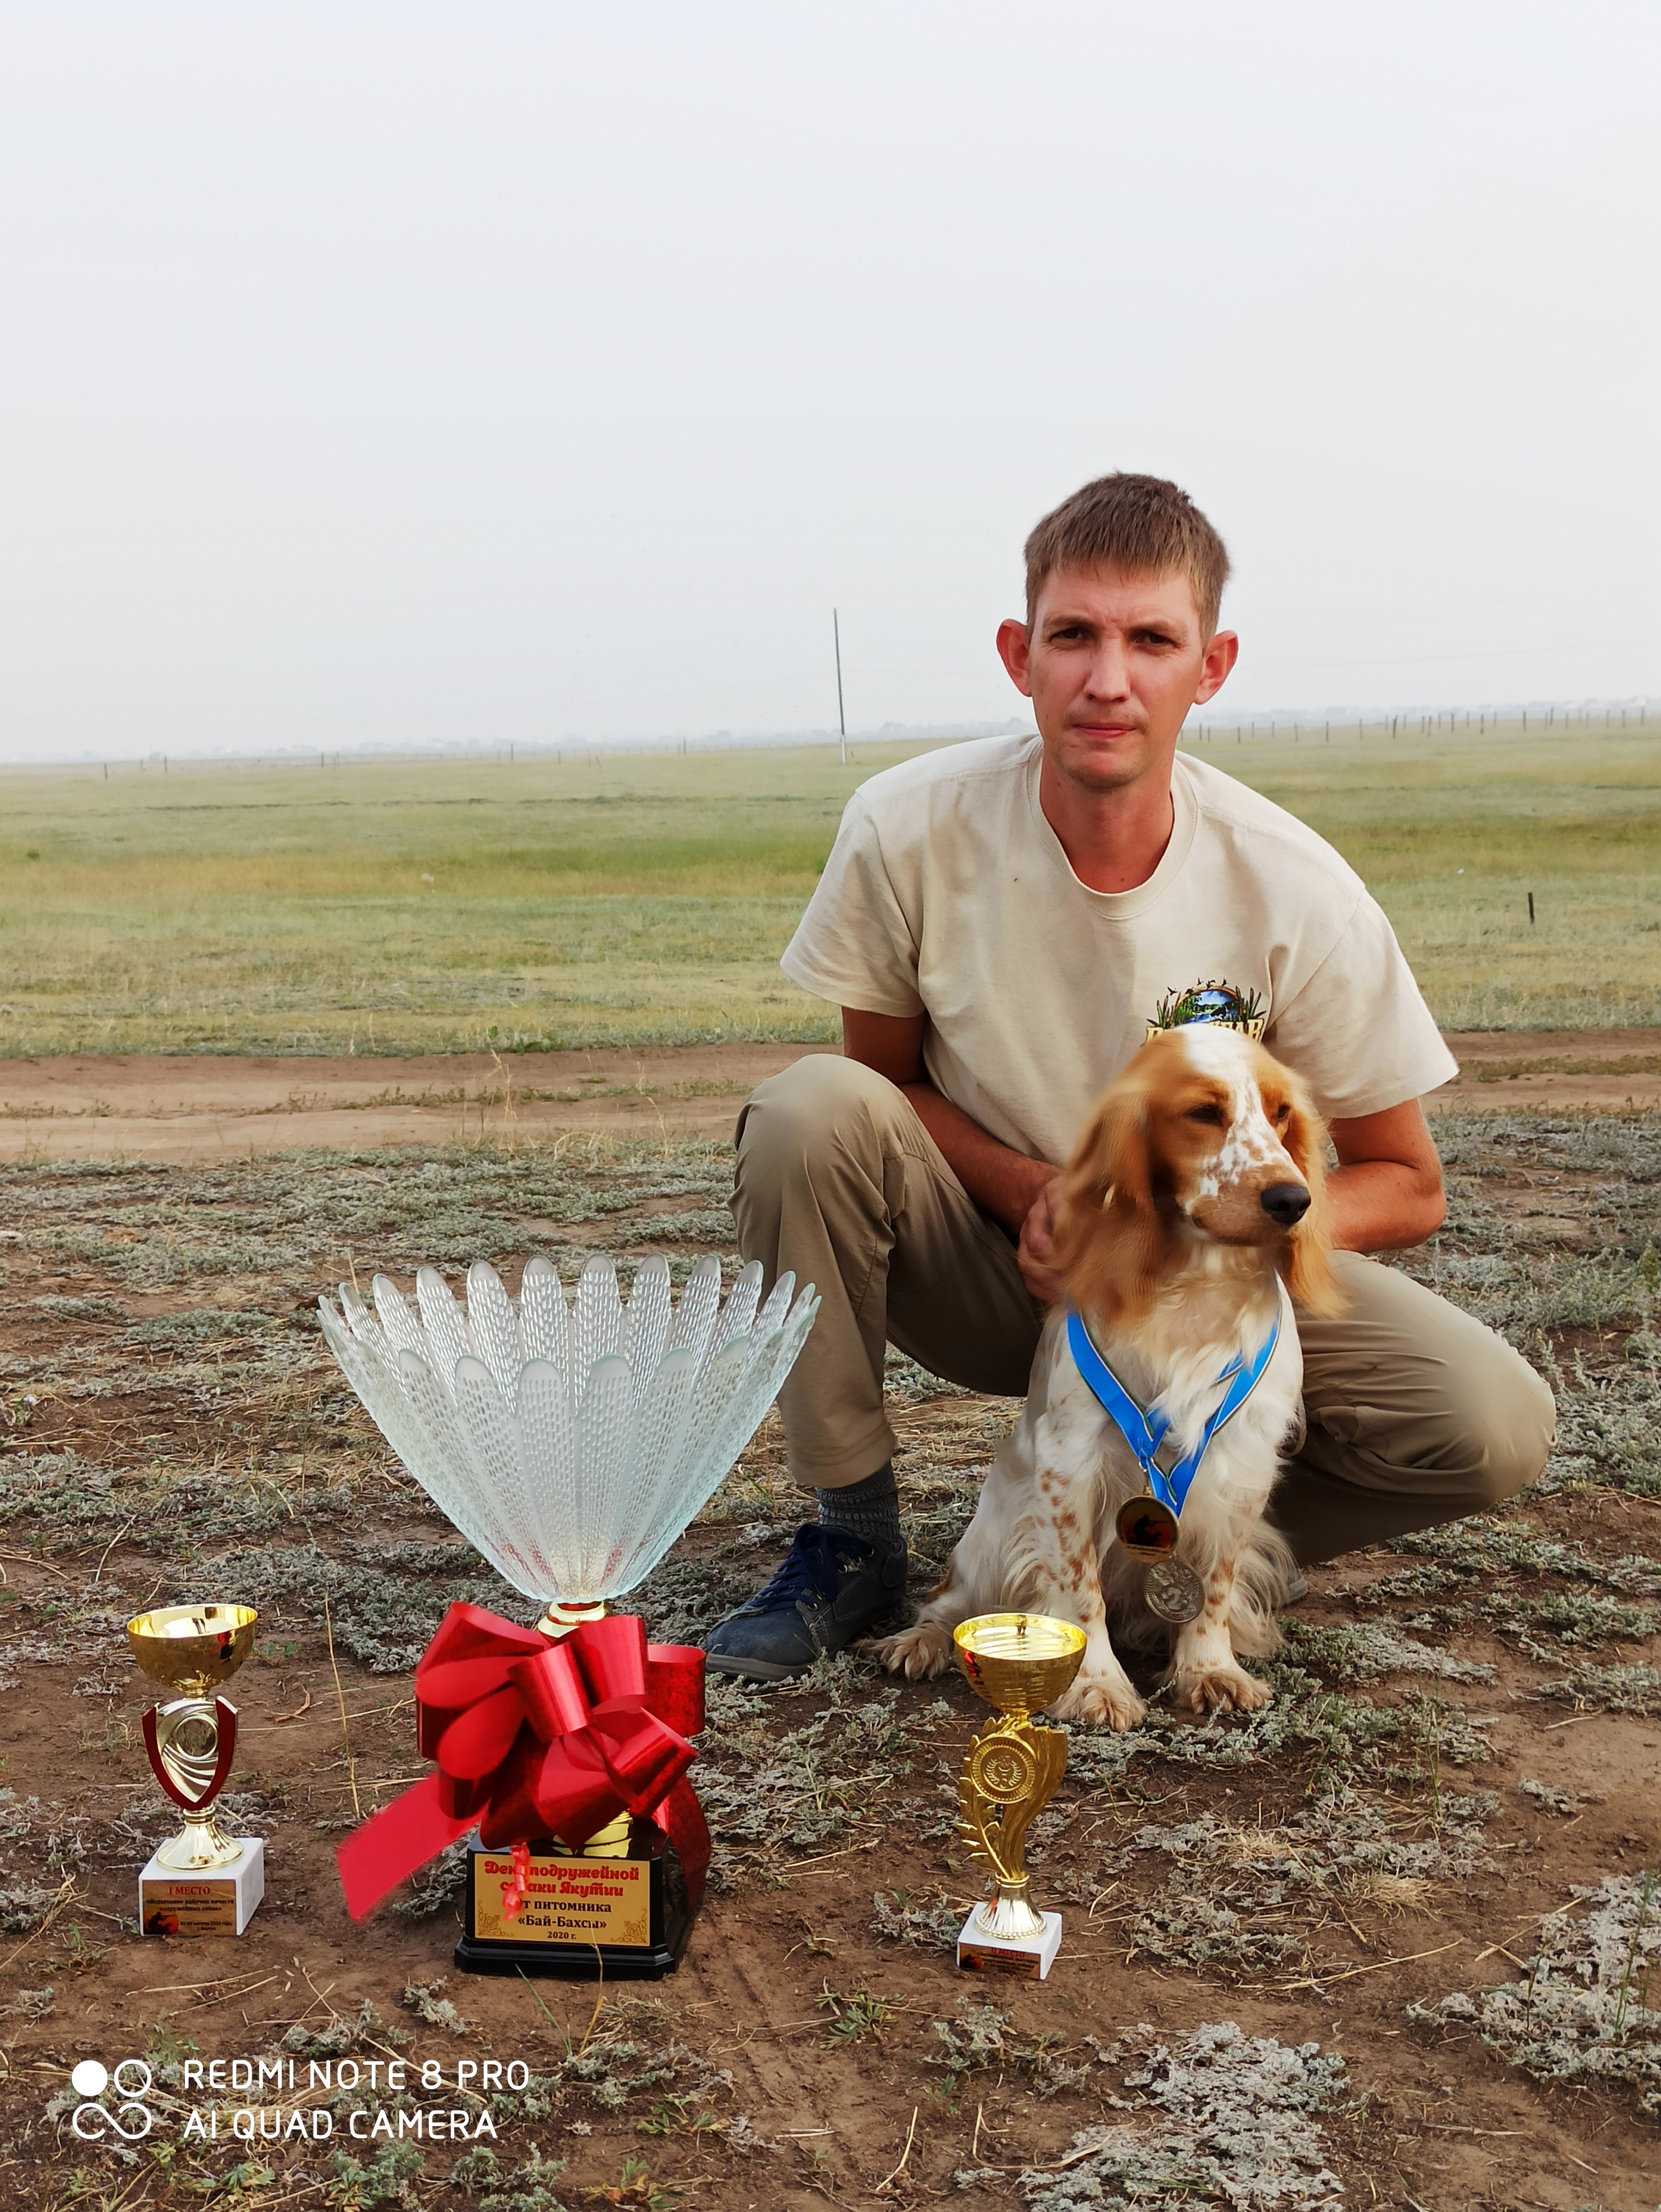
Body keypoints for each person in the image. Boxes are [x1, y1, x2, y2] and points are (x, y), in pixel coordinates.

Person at [704, 472, 1554, 1681]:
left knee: (1494, 1422)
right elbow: (877, 1088)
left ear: (1209, 666)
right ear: (1019, 654)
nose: (1108, 679)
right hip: (1003, 1258)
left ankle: (1169, 1552)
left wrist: (1218, 1221)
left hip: (1205, 1287)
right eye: (1074, 636)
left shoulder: (1296, 886)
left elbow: (1406, 1182)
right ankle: (851, 1541)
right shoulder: (906, 828)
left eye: (1150, 639)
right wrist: (1025, 1190)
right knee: (805, 1114)